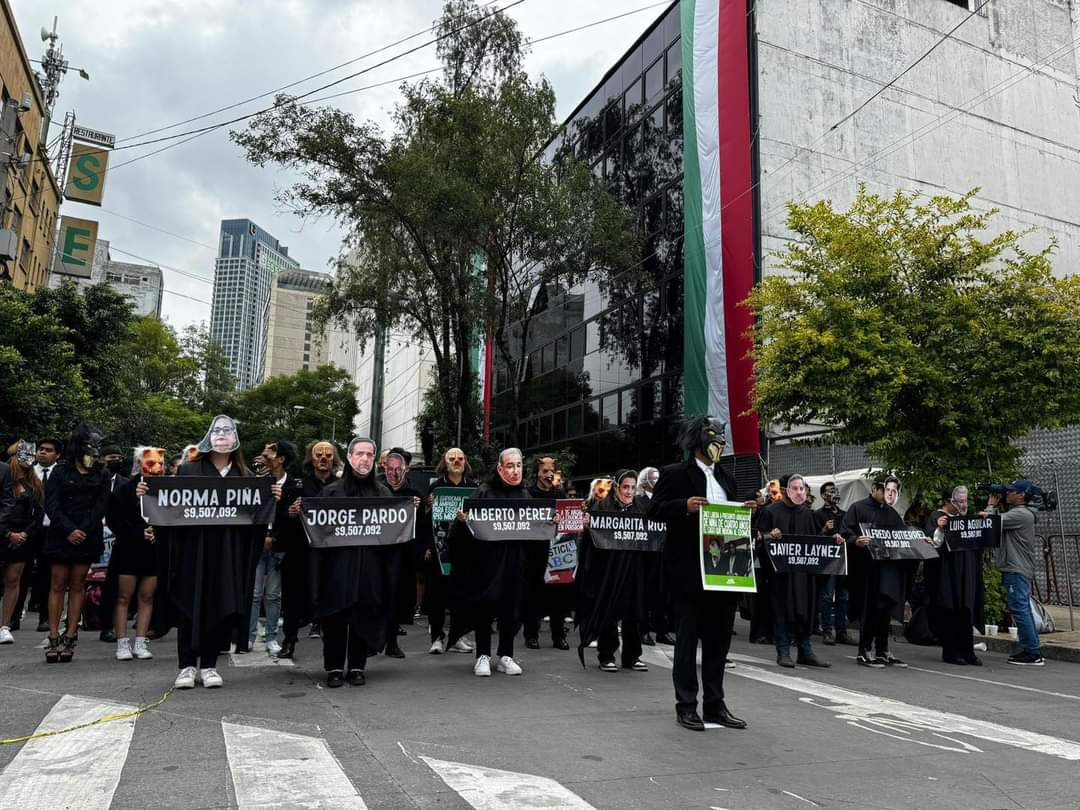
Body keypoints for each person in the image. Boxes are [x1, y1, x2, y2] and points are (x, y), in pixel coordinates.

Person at [648, 416, 753, 732]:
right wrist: (685, 506)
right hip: (689, 574)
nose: (719, 441)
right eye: (713, 435)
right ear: (697, 439)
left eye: (722, 436)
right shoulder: (674, 474)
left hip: (725, 571)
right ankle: (686, 705)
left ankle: (715, 705)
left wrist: (746, 511)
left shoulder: (727, 478)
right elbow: (653, 511)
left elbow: (732, 520)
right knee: (687, 641)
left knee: (719, 642)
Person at [150, 415, 269, 689]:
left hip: (229, 552)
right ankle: (186, 666)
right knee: (190, 603)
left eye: (229, 431)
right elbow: (170, 506)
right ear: (209, 435)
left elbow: (256, 516)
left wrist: (270, 496)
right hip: (194, 549)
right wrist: (150, 494)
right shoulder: (189, 470)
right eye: (218, 430)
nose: (223, 435)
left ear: (235, 438)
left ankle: (210, 664)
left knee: (222, 604)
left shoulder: (246, 477)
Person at [311, 437, 398, 687]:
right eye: (359, 454)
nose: (365, 459)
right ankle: (335, 668)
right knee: (335, 615)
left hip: (370, 565)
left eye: (370, 455)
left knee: (365, 612)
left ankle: (358, 666)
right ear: (349, 458)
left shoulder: (382, 493)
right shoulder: (331, 492)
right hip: (337, 566)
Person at [449, 447, 531, 677]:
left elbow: (537, 532)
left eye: (519, 465)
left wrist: (550, 522)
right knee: (484, 608)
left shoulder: (526, 495)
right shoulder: (484, 493)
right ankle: (482, 655)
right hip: (486, 564)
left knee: (511, 609)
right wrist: (463, 523)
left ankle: (506, 655)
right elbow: (460, 535)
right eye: (510, 466)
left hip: (515, 564)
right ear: (500, 468)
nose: (515, 471)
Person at [42, 425, 111, 663]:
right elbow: (51, 504)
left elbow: (102, 505)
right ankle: (53, 636)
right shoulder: (61, 471)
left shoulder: (101, 473)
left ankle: (70, 635)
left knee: (78, 584)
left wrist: (84, 529)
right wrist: (69, 529)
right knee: (58, 584)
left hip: (87, 533)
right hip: (62, 533)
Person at [576, 469, 650, 672]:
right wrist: (588, 527)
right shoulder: (602, 507)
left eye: (633, 488)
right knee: (609, 610)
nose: (629, 492)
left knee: (633, 612)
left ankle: (632, 656)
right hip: (608, 569)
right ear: (617, 487)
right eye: (626, 487)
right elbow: (591, 541)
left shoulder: (642, 508)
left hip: (634, 569)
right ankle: (606, 655)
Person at [757, 474, 832, 668]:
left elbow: (815, 541)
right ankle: (783, 652)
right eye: (794, 488)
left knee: (805, 611)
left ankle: (805, 651)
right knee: (782, 610)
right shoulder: (770, 512)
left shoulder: (807, 514)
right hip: (781, 575)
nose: (799, 492)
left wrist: (831, 538)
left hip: (804, 575)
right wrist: (768, 537)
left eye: (802, 488)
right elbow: (758, 539)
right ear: (783, 491)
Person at [842, 476, 915, 669]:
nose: (889, 495)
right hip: (867, 570)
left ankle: (882, 650)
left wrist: (921, 542)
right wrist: (855, 541)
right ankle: (864, 650)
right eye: (886, 490)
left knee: (885, 610)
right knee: (870, 610)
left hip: (888, 571)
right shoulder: (857, 508)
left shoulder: (892, 513)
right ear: (874, 488)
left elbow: (903, 538)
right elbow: (845, 533)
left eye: (893, 491)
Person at [278, 440, 340, 660]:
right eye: (318, 454)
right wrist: (291, 513)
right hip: (300, 554)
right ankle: (289, 640)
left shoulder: (343, 489)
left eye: (328, 455)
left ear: (334, 460)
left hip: (330, 555)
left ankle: (331, 646)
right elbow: (280, 521)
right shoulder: (297, 487)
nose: (323, 458)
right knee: (293, 600)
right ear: (311, 459)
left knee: (331, 600)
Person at [106, 447, 166, 661]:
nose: (155, 468)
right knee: (124, 596)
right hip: (128, 548)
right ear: (139, 464)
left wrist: (157, 532)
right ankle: (122, 643)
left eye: (159, 463)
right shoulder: (124, 488)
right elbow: (114, 519)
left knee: (147, 596)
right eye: (150, 463)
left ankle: (141, 642)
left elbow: (174, 516)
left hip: (153, 550)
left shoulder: (167, 489)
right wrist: (138, 531)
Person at [248, 440, 299, 656]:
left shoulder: (294, 487)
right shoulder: (256, 483)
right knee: (254, 593)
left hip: (280, 548)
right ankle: (248, 636)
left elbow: (292, 518)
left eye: (270, 452)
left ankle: (271, 637)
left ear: (281, 459)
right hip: (258, 546)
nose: (264, 456)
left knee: (274, 595)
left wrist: (274, 538)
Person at [424, 447, 476, 655]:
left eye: (460, 458)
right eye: (452, 458)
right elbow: (425, 522)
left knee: (462, 594)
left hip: (465, 549)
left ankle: (458, 637)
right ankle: (436, 637)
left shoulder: (474, 488)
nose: (456, 461)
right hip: (439, 548)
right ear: (444, 463)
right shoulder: (435, 488)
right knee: (437, 595)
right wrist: (428, 509)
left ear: (465, 462)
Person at [989, 480, 1044, 666]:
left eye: (1011, 491)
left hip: (1016, 567)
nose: (1007, 494)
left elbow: (991, 523)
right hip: (1017, 567)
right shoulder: (1021, 514)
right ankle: (1027, 647)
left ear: (1021, 495)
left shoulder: (1020, 514)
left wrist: (990, 506)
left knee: (1020, 608)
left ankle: (1032, 651)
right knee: (1021, 608)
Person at [524, 455, 571, 651]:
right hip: (534, 550)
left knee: (558, 595)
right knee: (533, 593)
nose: (549, 474)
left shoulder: (560, 494)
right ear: (537, 473)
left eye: (552, 471)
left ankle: (558, 635)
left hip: (557, 550)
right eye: (545, 471)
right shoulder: (527, 494)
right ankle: (531, 634)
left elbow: (570, 520)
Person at [1, 441, 43, 645]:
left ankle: (5, 625)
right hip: (3, 533)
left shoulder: (34, 484)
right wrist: (8, 533)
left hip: (23, 539)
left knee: (13, 580)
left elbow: (38, 514)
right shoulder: (3, 478)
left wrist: (26, 533)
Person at [382, 449, 422, 659]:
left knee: (396, 597)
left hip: (402, 554)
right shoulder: (377, 490)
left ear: (405, 470)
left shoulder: (414, 494)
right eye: (391, 469)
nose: (395, 473)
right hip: (379, 553)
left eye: (399, 469)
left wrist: (421, 508)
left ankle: (391, 641)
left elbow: (422, 525)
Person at [815, 481, 851, 646]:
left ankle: (842, 631)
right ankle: (827, 631)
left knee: (843, 596)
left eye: (835, 490)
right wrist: (824, 530)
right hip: (828, 561)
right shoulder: (818, 514)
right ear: (823, 495)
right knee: (827, 596)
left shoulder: (844, 514)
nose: (834, 494)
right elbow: (813, 538)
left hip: (843, 560)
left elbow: (850, 533)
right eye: (830, 491)